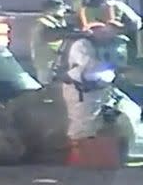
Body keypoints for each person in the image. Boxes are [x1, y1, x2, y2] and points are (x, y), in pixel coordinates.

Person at [52, 23, 130, 153]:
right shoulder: (82, 45)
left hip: (98, 90)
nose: (109, 36)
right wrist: (112, 67)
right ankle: (78, 154)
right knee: (81, 123)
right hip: (80, 91)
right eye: (105, 32)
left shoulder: (101, 46)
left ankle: (91, 153)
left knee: (97, 122)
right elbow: (89, 64)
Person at [30, 0, 70, 85]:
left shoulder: (57, 22)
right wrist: (71, 33)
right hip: (45, 63)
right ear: (51, 10)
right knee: (47, 86)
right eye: (61, 9)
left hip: (55, 63)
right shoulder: (43, 23)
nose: (64, 11)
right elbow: (51, 35)